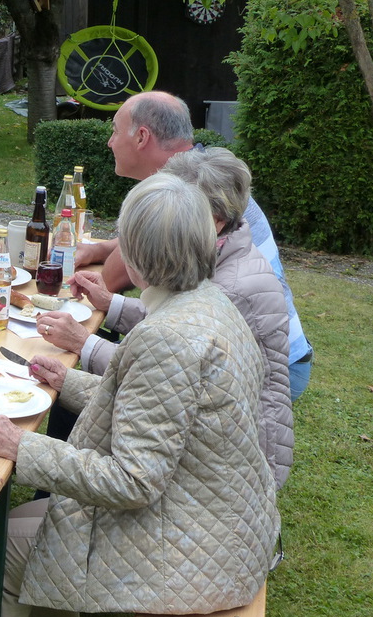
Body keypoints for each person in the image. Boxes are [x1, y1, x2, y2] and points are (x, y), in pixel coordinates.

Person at [0, 174, 281, 617]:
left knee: (2, 545)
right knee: (40, 522)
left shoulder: (168, 336)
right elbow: (163, 407)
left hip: (200, 547)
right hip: (221, 521)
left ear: (138, 253)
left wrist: (25, 448)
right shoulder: (208, 303)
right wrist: (67, 382)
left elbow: (133, 481)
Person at [45, 147, 295, 488]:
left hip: (233, 468)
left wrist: (83, 343)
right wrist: (111, 303)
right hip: (219, 443)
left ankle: (46, 504)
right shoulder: (222, 254)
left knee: (80, 409)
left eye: (178, 208)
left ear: (215, 220)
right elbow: (172, 322)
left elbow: (165, 364)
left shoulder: (230, 289)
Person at [74, 89, 312, 398]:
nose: (109, 142)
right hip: (264, 349)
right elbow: (176, 310)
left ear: (142, 137)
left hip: (268, 370)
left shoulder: (190, 194)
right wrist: (101, 255)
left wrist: (85, 343)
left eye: (115, 131)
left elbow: (125, 274)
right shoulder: (202, 177)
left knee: (94, 385)